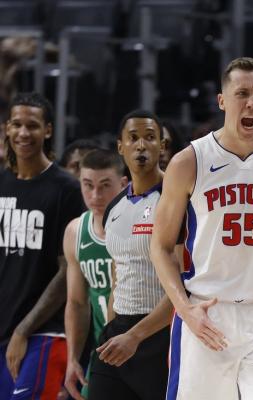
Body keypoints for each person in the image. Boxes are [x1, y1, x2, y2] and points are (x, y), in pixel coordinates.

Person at [150, 57, 253, 399]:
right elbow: (160, 246)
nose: (251, 103)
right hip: (207, 312)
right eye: (242, 93)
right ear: (222, 101)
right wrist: (185, 309)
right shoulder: (189, 161)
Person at [0, 92, 86, 399]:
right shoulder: (2, 183)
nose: (23, 133)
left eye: (32, 125)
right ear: (7, 128)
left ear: (47, 130)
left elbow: (68, 271)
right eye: (17, 124)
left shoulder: (67, 189)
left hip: (44, 332)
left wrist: (23, 329)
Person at [87, 110, 173, 400]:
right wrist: (113, 328)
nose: (141, 146)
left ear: (162, 146)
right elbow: (117, 276)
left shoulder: (177, 199)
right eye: (133, 138)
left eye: (150, 137)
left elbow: (185, 282)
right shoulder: (114, 208)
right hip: (119, 332)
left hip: (161, 334)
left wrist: (136, 336)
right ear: (120, 146)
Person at [63, 149, 128, 399]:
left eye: (105, 186)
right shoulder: (75, 231)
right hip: (103, 352)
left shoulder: (137, 227)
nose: (95, 195)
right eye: (88, 185)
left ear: (123, 184)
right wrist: (72, 359)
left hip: (141, 346)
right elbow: (77, 303)